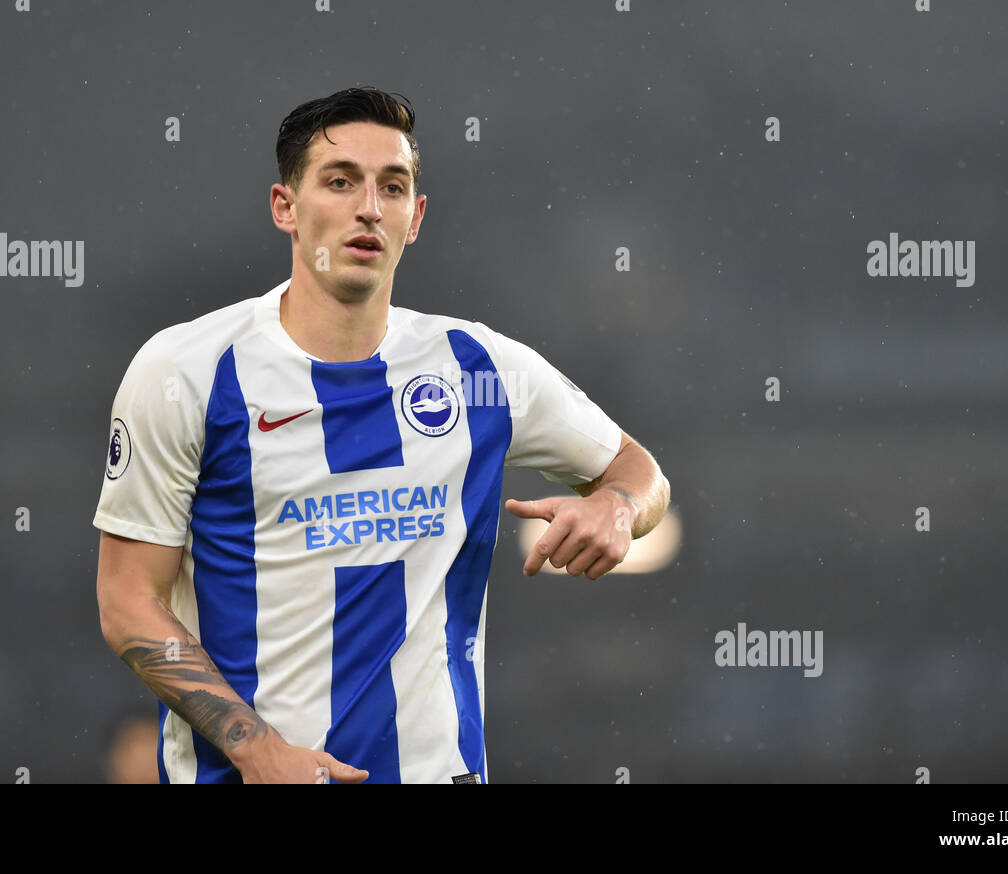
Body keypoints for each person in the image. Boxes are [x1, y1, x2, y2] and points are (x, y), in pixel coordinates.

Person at [93, 86, 671, 784]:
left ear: (415, 217)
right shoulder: (186, 371)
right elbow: (128, 603)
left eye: (392, 188)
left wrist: (615, 507)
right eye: (340, 182)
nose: (369, 206)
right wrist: (256, 749)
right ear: (286, 207)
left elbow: (640, 472)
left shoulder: (477, 368)